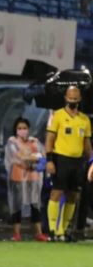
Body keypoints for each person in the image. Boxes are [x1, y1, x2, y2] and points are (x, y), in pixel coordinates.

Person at [45, 86, 92, 242]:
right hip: (61, 159)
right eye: (70, 98)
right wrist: (49, 160)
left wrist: (91, 161)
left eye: (75, 98)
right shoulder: (57, 115)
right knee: (56, 193)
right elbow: (50, 139)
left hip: (78, 161)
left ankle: (64, 230)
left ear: (79, 99)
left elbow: (87, 144)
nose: (73, 101)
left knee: (73, 195)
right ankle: (53, 230)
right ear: (65, 97)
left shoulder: (84, 119)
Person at [4, 118, 48, 242]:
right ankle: (16, 234)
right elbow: (18, 158)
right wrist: (34, 157)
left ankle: (39, 233)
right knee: (16, 205)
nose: (22, 131)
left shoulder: (34, 142)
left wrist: (34, 158)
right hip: (17, 177)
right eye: (19, 128)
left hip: (33, 178)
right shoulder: (12, 142)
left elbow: (43, 156)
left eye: (24, 128)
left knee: (35, 205)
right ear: (15, 130)